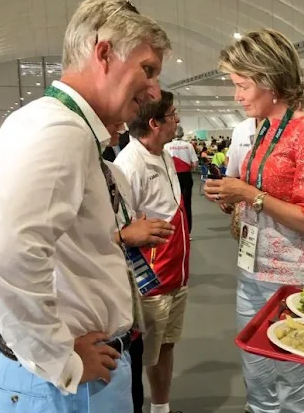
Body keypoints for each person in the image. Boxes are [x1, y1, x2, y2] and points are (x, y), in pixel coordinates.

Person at [0, 0, 171, 412]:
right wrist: (61, 358)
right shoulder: (61, 132)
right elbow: (3, 256)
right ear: (104, 52)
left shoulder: (40, 121)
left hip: (57, 379)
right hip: (66, 389)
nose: (154, 91)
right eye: (147, 70)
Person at [204, 28, 304, 413]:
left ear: (269, 80)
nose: (237, 94)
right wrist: (235, 200)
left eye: (242, 85)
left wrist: (248, 195)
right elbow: (264, 197)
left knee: (294, 380)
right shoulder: (264, 130)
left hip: (292, 276)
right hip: (253, 270)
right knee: (258, 374)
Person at [115, 91, 189, 413]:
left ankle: (162, 408)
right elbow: (119, 231)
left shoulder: (165, 155)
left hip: (176, 274)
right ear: (154, 123)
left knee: (166, 346)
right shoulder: (128, 166)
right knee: (143, 354)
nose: (178, 120)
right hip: (151, 281)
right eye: (173, 115)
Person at [104, 123, 175, 413]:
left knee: (131, 372)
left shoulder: (112, 171)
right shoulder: (127, 163)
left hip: (127, 291)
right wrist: (123, 236)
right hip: (97, 310)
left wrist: (133, 227)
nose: (121, 126)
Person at [165, 126, 199, 234]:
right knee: (187, 204)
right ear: (183, 133)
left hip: (172, 176)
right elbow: (195, 163)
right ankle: (188, 232)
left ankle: (174, 231)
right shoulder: (188, 146)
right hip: (186, 176)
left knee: (173, 204)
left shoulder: (166, 146)